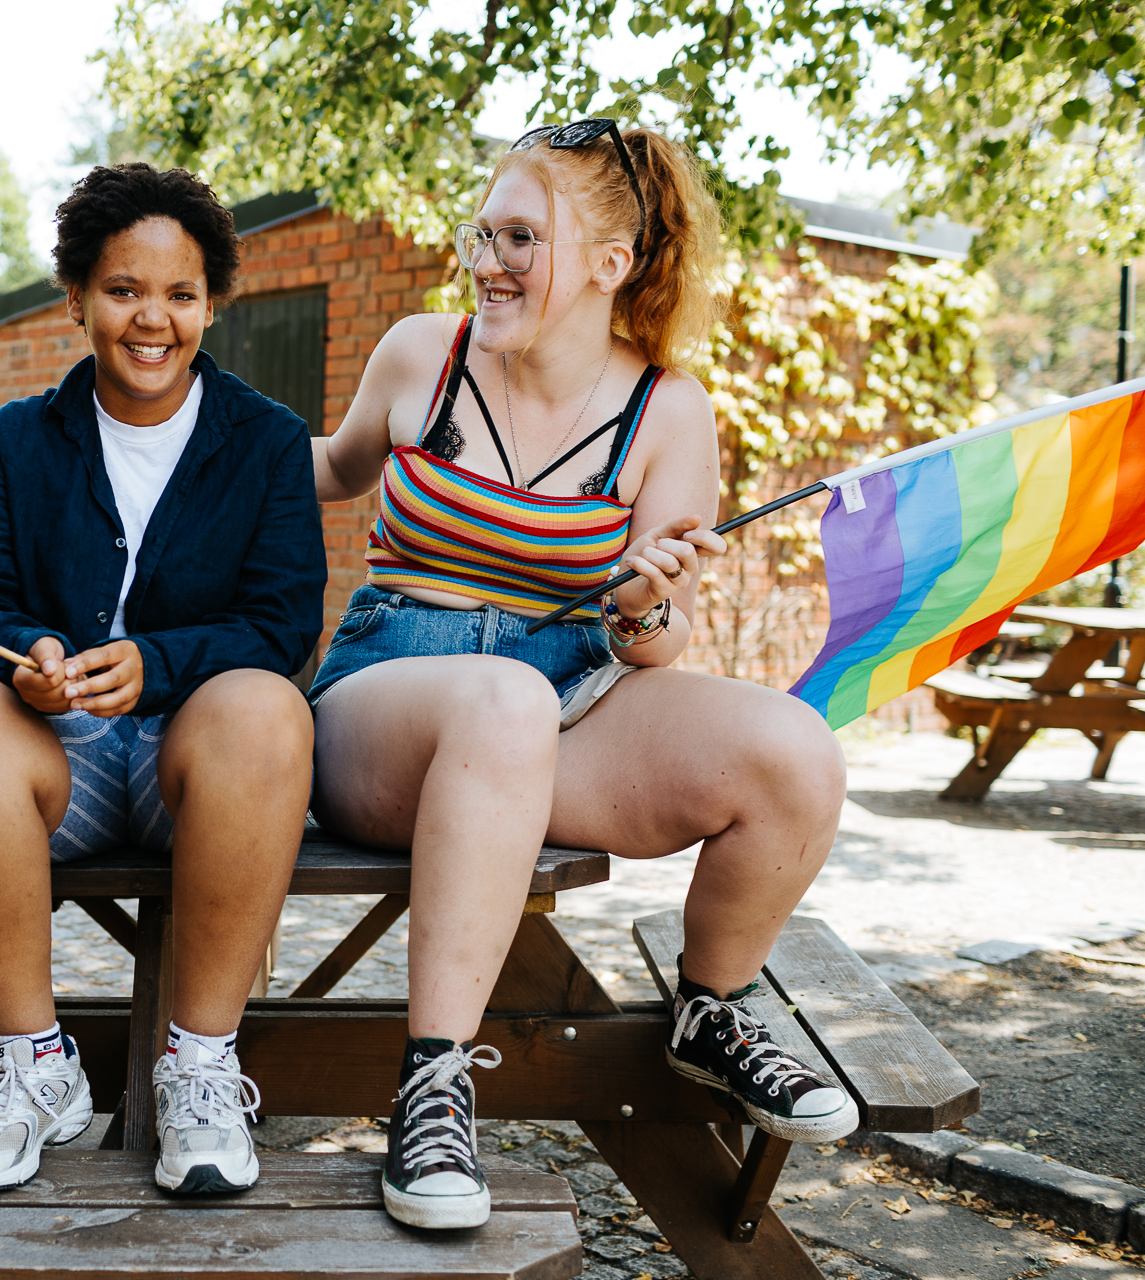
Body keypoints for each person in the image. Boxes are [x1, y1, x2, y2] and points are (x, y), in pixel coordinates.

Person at [308, 119, 856, 1231]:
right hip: (389, 697)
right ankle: (433, 1080)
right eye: (484, 231)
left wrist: (643, 599)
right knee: (502, 701)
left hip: (563, 695)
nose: (487, 259)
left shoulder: (669, 412)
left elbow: (659, 645)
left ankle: (713, 1007)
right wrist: (186, 423)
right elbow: (322, 470)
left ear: (609, 265)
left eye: (521, 236)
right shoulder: (425, 354)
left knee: (794, 748)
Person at [0, 162, 325, 1195]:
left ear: (210, 303)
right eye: (124, 290)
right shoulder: (8, 440)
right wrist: (33, 657)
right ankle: (33, 1065)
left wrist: (161, 663)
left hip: (204, 766)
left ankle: (199, 1063)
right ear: (77, 299)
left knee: (268, 705)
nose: (154, 318)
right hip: (56, 761)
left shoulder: (269, 440)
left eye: (181, 293)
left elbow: (281, 624)